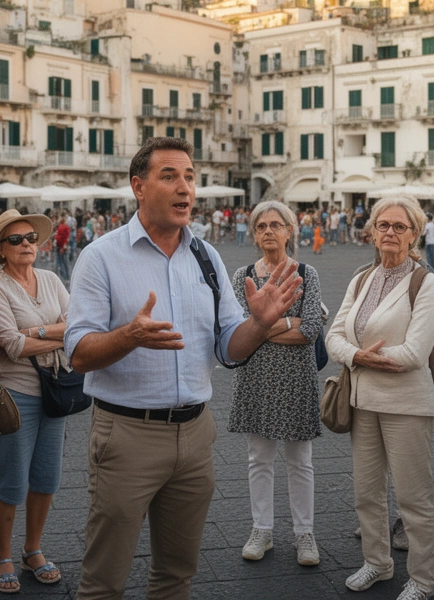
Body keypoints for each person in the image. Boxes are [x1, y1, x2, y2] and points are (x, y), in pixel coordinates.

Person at [64, 137, 301, 600]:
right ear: (138, 186)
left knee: (177, 576)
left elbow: (229, 347)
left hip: (195, 437)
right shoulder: (101, 256)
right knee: (103, 581)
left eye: (190, 177)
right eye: (169, 176)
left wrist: (259, 324)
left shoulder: (206, 256)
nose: (185, 188)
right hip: (126, 437)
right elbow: (78, 351)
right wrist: (128, 337)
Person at [325, 197, 434, 600]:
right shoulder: (361, 278)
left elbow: (414, 353)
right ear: (371, 231)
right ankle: (376, 562)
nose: (390, 232)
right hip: (363, 400)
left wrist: (360, 356)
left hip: (407, 404)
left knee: (413, 498)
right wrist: (358, 356)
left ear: (415, 234)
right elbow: (333, 336)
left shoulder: (427, 283)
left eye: (399, 226)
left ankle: (423, 580)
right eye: (383, 225)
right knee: (366, 492)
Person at [228, 201, 324, 567]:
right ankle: (262, 529)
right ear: (255, 234)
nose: (268, 230)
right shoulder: (243, 276)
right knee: (259, 458)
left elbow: (312, 328)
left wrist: (266, 327)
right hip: (256, 377)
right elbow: (240, 328)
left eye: (276, 224)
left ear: (289, 231)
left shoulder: (307, 273)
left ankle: (305, 533)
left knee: (301, 460)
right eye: (261, 226)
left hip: (297, 378)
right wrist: (288, 324)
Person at [0, 209, 70, 593]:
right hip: (15, 395)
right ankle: (3, 555)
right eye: (15, 240)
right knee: (12, 481)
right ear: (0, 248)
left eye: (30, 237)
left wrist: (37, 331)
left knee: (47, 478)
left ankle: (32, 549)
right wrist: (59, 334)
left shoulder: (50, 279)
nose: (26, 245)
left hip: (55, 388)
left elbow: (80, 325)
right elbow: (12, 346)